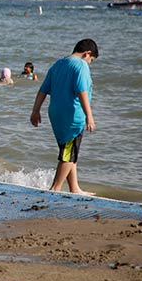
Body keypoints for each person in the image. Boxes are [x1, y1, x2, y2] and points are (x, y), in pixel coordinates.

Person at [30, 39, 99, 196]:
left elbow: (43, 90)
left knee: (69, 151)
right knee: (68, 154)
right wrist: (89, 116)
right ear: (87, 53)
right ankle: (55, 189)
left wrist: (35, 110)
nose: (90, 63)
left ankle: (74, 188)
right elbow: (82, 91)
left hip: (56, 114)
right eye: (91, 60)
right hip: (73, 116)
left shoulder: (58, 64)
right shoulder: (81, 65)